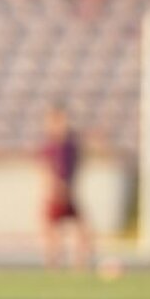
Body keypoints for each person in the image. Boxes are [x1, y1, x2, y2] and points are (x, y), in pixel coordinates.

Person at [39, 104, 94, 269]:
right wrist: (54, 188)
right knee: (53, 232)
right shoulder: (50, 146)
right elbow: (46, 170)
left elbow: (78, 165)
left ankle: (80, 263)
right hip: (55, 194)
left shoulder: (71, 146)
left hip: (69, 193)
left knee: (82, 229)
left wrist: (71, 188)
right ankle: (53, 263)